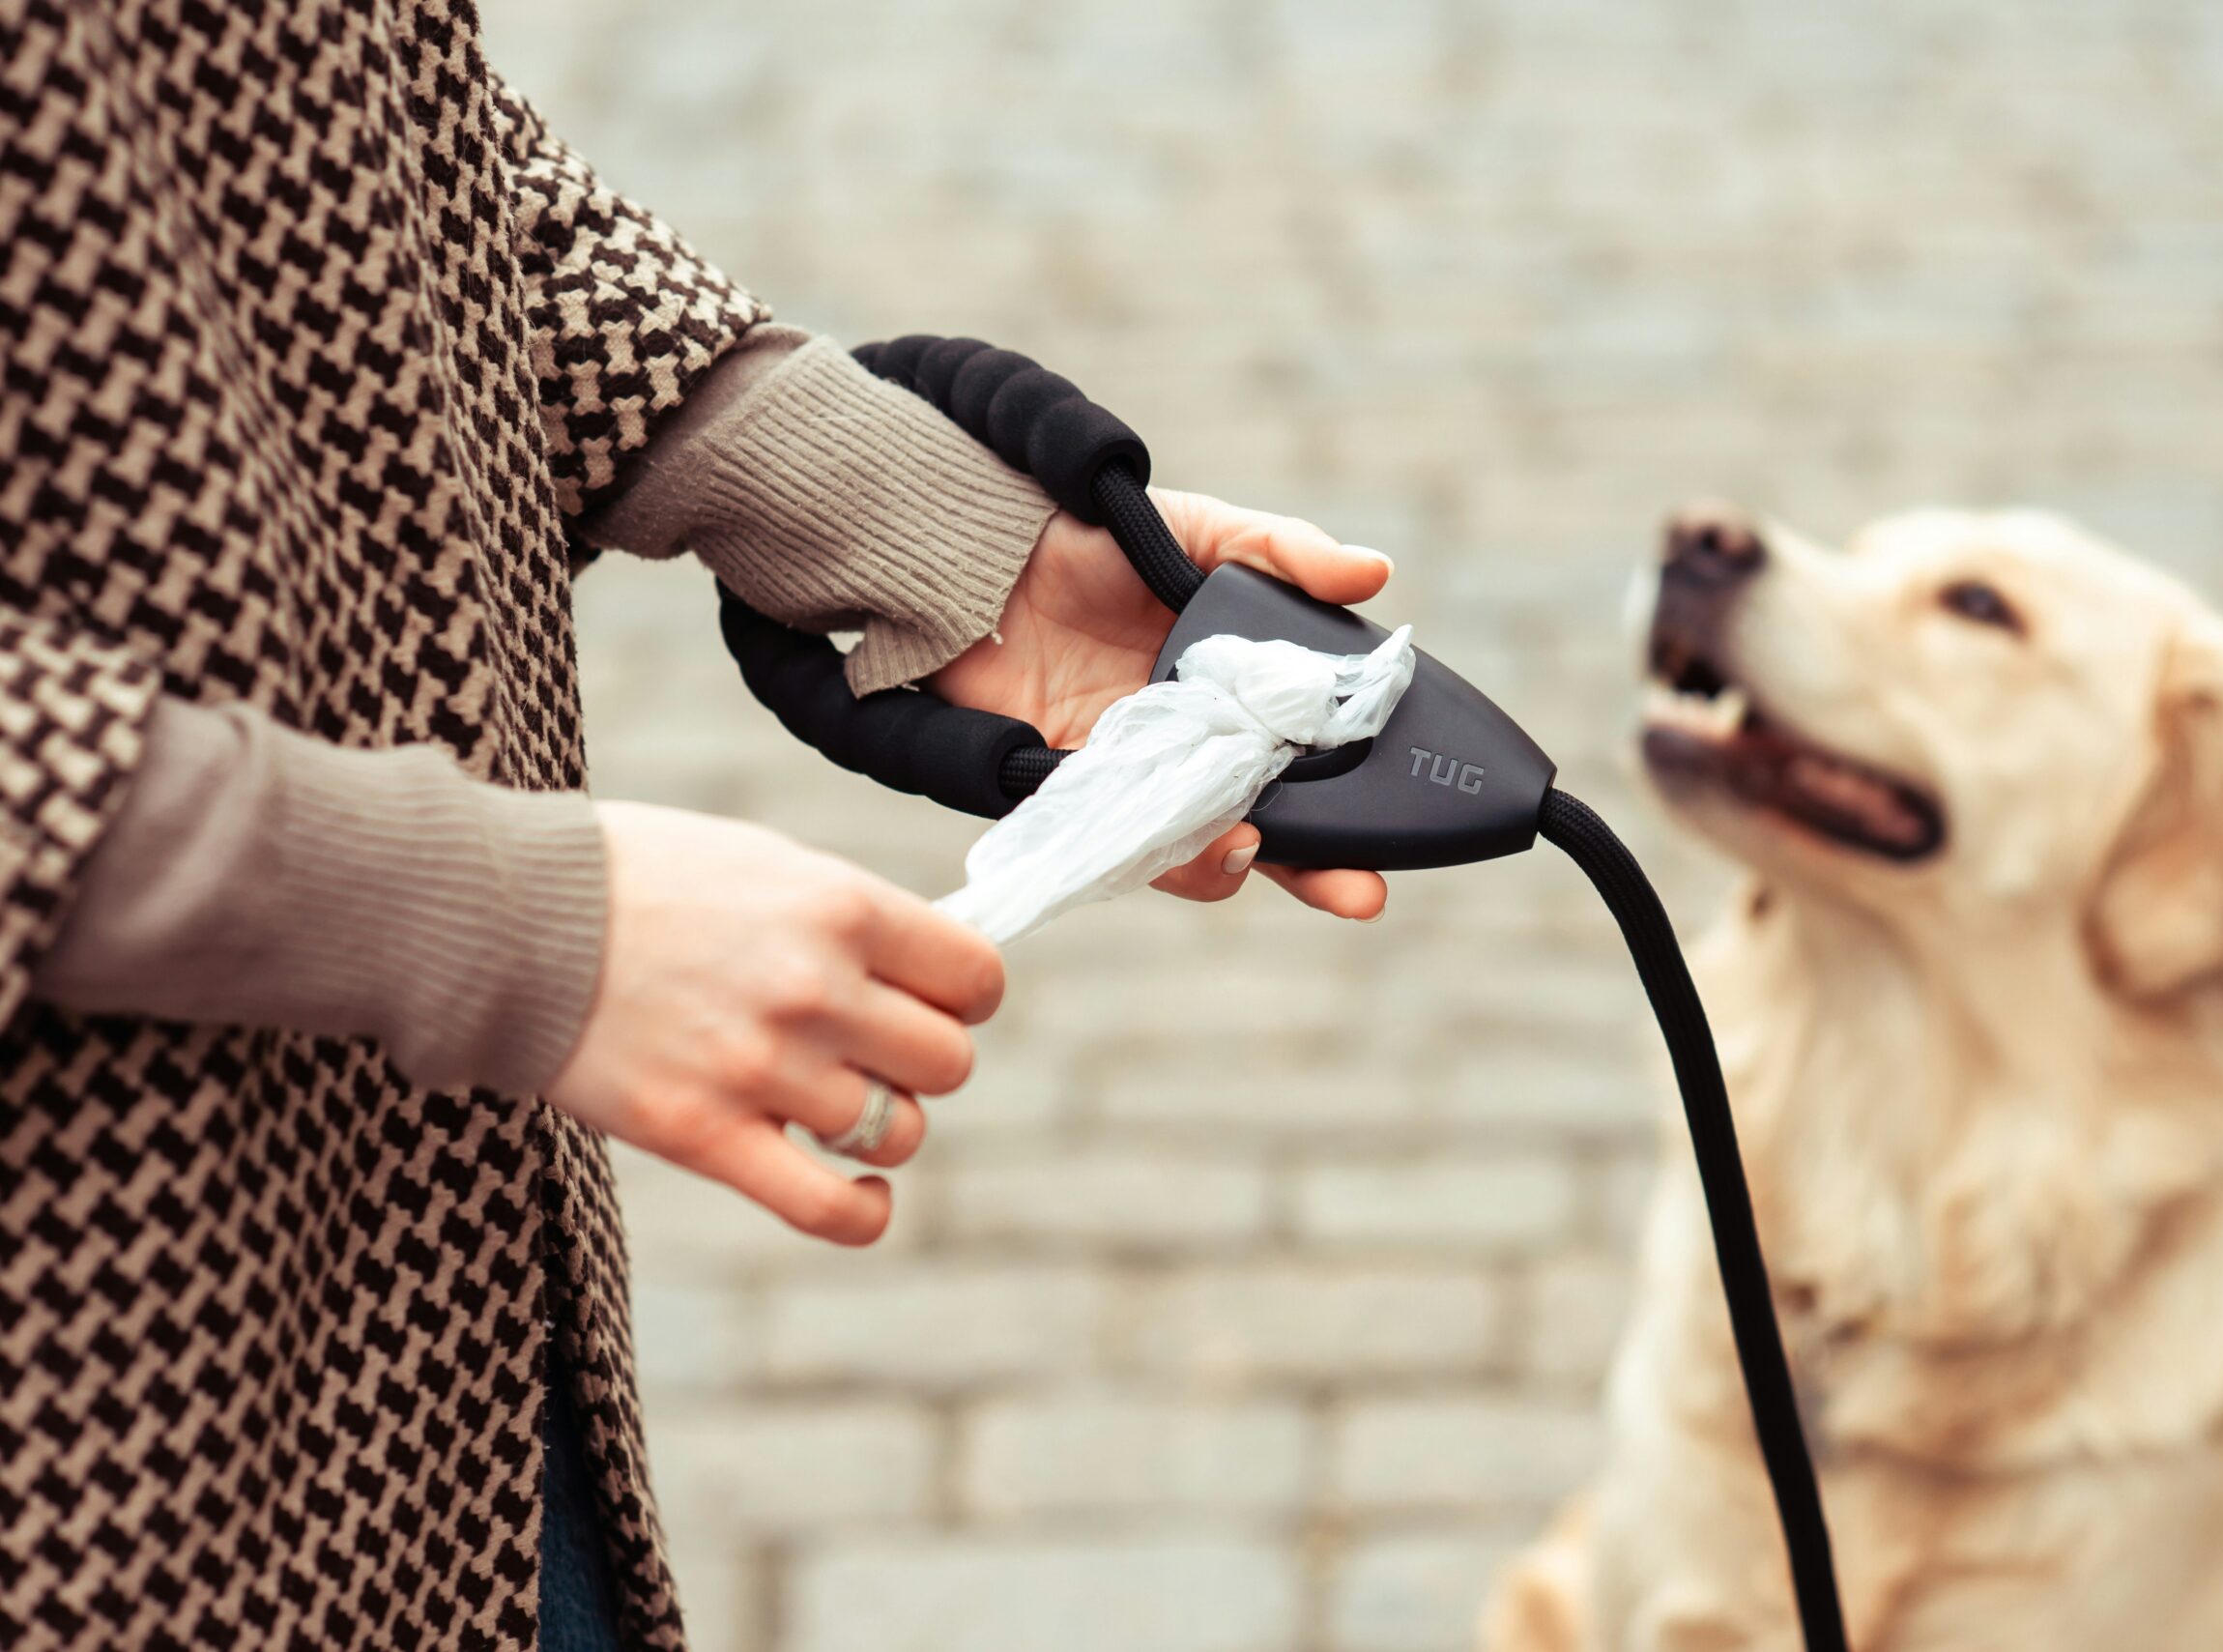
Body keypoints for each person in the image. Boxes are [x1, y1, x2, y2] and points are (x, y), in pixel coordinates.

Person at [0, 5, 1391, 1648]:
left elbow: (321, 108)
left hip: (443, 1343)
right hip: (102, 1429)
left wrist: (890, 509)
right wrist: (481, 916)